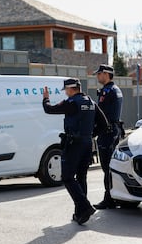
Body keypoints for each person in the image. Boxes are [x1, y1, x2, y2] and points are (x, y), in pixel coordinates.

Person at [43, 78, 108, 225]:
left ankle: (85, 206)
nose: (65, 93)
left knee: (67, 177)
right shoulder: (91, 102)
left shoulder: (72, 103)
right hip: (86, 144)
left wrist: (45, 99)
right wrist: (90, 135)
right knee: (81, 177)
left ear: (71, 89)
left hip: (74, 145)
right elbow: (104, 124)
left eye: (66, 90)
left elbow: (49, 109)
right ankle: (80, 214)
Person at [92, 64, 123, 210]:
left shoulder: (107, 92)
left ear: (106, 74)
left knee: (107, 167)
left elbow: (101, 115)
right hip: (113, 130)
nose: (97, 77)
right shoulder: (116, 90)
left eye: (99, 74)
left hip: (107, 132)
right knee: (110, 166)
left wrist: (93, 130)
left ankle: (109, 198)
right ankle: (113, 196)